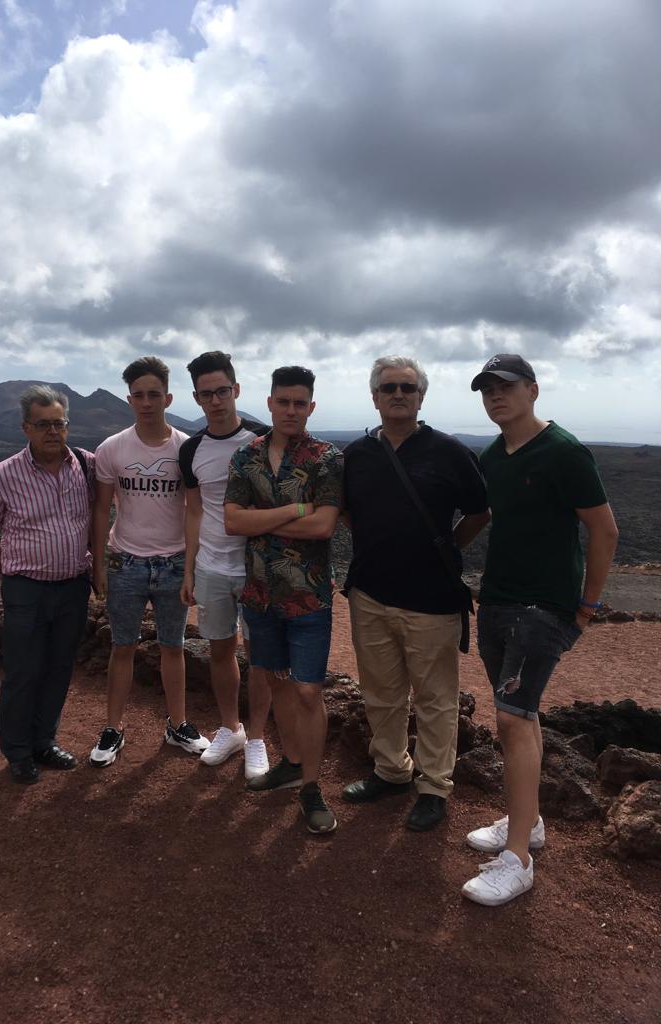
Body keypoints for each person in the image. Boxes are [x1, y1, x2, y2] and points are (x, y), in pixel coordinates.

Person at [462, 353, 618, 906]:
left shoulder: (564, 451)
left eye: (505, 386)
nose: (495, 396)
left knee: (510, 718)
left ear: (532, 389)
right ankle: (526, 823)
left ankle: (518, 862)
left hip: (544, 607)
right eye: (487, 389)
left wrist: (586, 607)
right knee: (520, 717)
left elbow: (604, 530)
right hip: (498, 601)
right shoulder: (492, 456)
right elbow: (481, 516)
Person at [341, 356, 490, 831]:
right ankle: (391, 770)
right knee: (380, 693)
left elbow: (480, 511)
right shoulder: (357, 455)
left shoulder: (449, 451)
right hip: (370, 594)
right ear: (375, 397)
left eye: (408, 387)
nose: (398, 394)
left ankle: (434, 787)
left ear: (421, 397)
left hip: (432, 597)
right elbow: (345, 511)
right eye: (389, 388)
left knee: (436, 699)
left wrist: (446, 547)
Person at [224, 366, 343, 834]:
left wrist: (262, 518)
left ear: (311, 407)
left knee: (309, 690)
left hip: (308, 597)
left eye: (299, 403)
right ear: (270, 403)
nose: (291, 410)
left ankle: (312, 787)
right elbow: (233, 522)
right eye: (283, 401)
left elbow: (324, 526)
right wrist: (295, 509)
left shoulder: (326, 457)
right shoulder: (246, 456)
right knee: (275, 681)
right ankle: (292, 764)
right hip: (260, 596)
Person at [0, 385, 93, 784]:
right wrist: (11, 572)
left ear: (67, 425)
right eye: (42, 424)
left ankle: (44, 741)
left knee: (59, 668)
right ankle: (18, 751)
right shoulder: (3, 475)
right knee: (23, 671)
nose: (52, 431)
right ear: (26, 428)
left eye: (59, 423)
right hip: (26, 589)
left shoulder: (86, 465)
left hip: (74, 586)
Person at [89, 356, 209, 766]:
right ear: (129, 399)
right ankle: (113, 728)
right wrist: (98, 563)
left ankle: (178, 724)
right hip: (126, 562)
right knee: (122, 646)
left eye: (153, 394)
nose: (146, 402)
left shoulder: (186, 448)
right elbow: (101, 509)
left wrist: (191, 566)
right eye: (138, 395)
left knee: (173, 647)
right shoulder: (112, 448)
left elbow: (195, 510)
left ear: (168, 398)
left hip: (173, 562)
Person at [179, 352, 272, 780]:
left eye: (221, 391)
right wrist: (189, 569)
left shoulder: (263, 439)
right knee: (219, 649)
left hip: (257, 568)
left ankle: (257, 739)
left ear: (235, 390)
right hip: (212, 566)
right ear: (196, 398)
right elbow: (194, 511)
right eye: (206, 394)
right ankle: (231, 728)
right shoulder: (191, 450)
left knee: (260, 656)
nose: (215, 401)